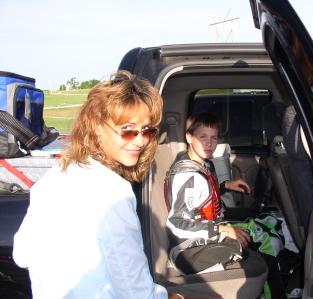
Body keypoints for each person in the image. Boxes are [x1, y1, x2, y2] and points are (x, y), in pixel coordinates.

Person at [12, 71, 194, 299]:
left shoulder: (57, 174)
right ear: (97, 127)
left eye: (147, 130)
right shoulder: (112, 192)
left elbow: (22, 254)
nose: (140, 141)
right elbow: (137, 293)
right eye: (127, 130)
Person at [165, 112, 288, 299]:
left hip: (209, 229)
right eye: (202, 137)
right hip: (190, 247)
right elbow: (177, 223)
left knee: (270, 219)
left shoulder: (202, 164)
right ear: (189, 137)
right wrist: (221, 230)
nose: (209, 143)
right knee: (266, 240)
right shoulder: (188, 175)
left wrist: (225, 186)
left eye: (213, 137)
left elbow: (201, 200)